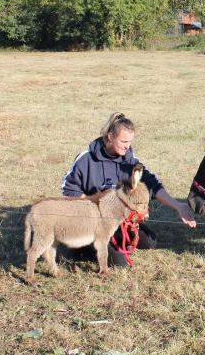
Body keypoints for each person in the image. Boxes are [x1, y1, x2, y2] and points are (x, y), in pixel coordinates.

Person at [61, 112, 196, 266]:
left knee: (150, 242)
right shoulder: (86, 159)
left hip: (118, 222)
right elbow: (67, 189)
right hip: (92, 222)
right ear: (110, 136)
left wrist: (178, 205)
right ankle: (80, 247)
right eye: (124, 141)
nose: (127, 146)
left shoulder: (130, 161)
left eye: (130, 142)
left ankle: (109, 240)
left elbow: (153, 184)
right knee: (120, 263)